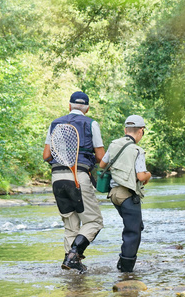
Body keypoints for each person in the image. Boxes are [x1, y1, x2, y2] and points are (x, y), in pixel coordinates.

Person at [42, 91, 105, 273]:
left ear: (69, 106)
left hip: (57, 178)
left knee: (70, 225)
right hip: (78, 176)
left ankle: (70, 269)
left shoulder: (54, 123)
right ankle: (74, 254)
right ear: (87, 108)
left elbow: (46, 156)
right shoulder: (91, 123)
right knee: (94, 221)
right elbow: (101, 157)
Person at [99, 115, 151, 272]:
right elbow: (141, 176)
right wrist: (149, 175)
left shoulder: (114, 144)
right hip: (127, 194)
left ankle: (123, 264)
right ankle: (126, 271)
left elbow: (102, 164)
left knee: (134, 227)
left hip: (114, 194)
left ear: (125, 130)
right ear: (141, 131)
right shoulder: (137, 150)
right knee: (133, 231)